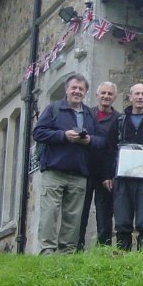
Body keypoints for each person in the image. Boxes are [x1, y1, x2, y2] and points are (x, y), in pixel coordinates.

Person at [32, 72, 103, 254]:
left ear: (86, 92)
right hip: (54, 170)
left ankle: (67, 253)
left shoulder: (89, 114)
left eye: (81, 89)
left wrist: (89, 140)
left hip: (79, 173)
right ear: (67, 90)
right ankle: (47, 251)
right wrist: (63, 135)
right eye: (74, 88)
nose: (77, 92)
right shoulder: (53, 109)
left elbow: (101, 141)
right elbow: (38, 133)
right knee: (50, 213)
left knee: (73, 216)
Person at [113, 83, 143, 250]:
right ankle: (121, 256)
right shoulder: (120, 120)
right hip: (122, 177)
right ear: (130, 97)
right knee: (122, 220)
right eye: (136, 94)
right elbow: (110, 148)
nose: (140, 97)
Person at [76, 81, 119, 250]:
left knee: (104, 214)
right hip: (84, 171)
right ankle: (77, 247)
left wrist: (109, 174)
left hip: (105, 174)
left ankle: (104, 249)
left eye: (109, 94)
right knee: (80, 212)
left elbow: (114, 149)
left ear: (114, 97)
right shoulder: (86, 114)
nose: (106, 97)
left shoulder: (118, 118)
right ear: (97, 95)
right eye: (103, 93)